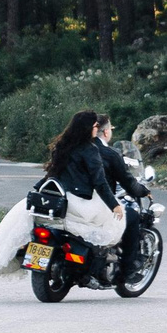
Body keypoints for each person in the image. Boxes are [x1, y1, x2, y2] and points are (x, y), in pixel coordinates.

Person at [48, 111, 150, 267]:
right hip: (83, 201)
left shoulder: (62, 145)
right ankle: (127, 269)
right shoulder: (99, 151)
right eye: (94, 126)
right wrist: (116, 205)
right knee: (131, 217)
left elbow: (52, 174)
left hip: (62, 198)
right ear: (105, 131)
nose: (96, 129)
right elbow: (102, 182)